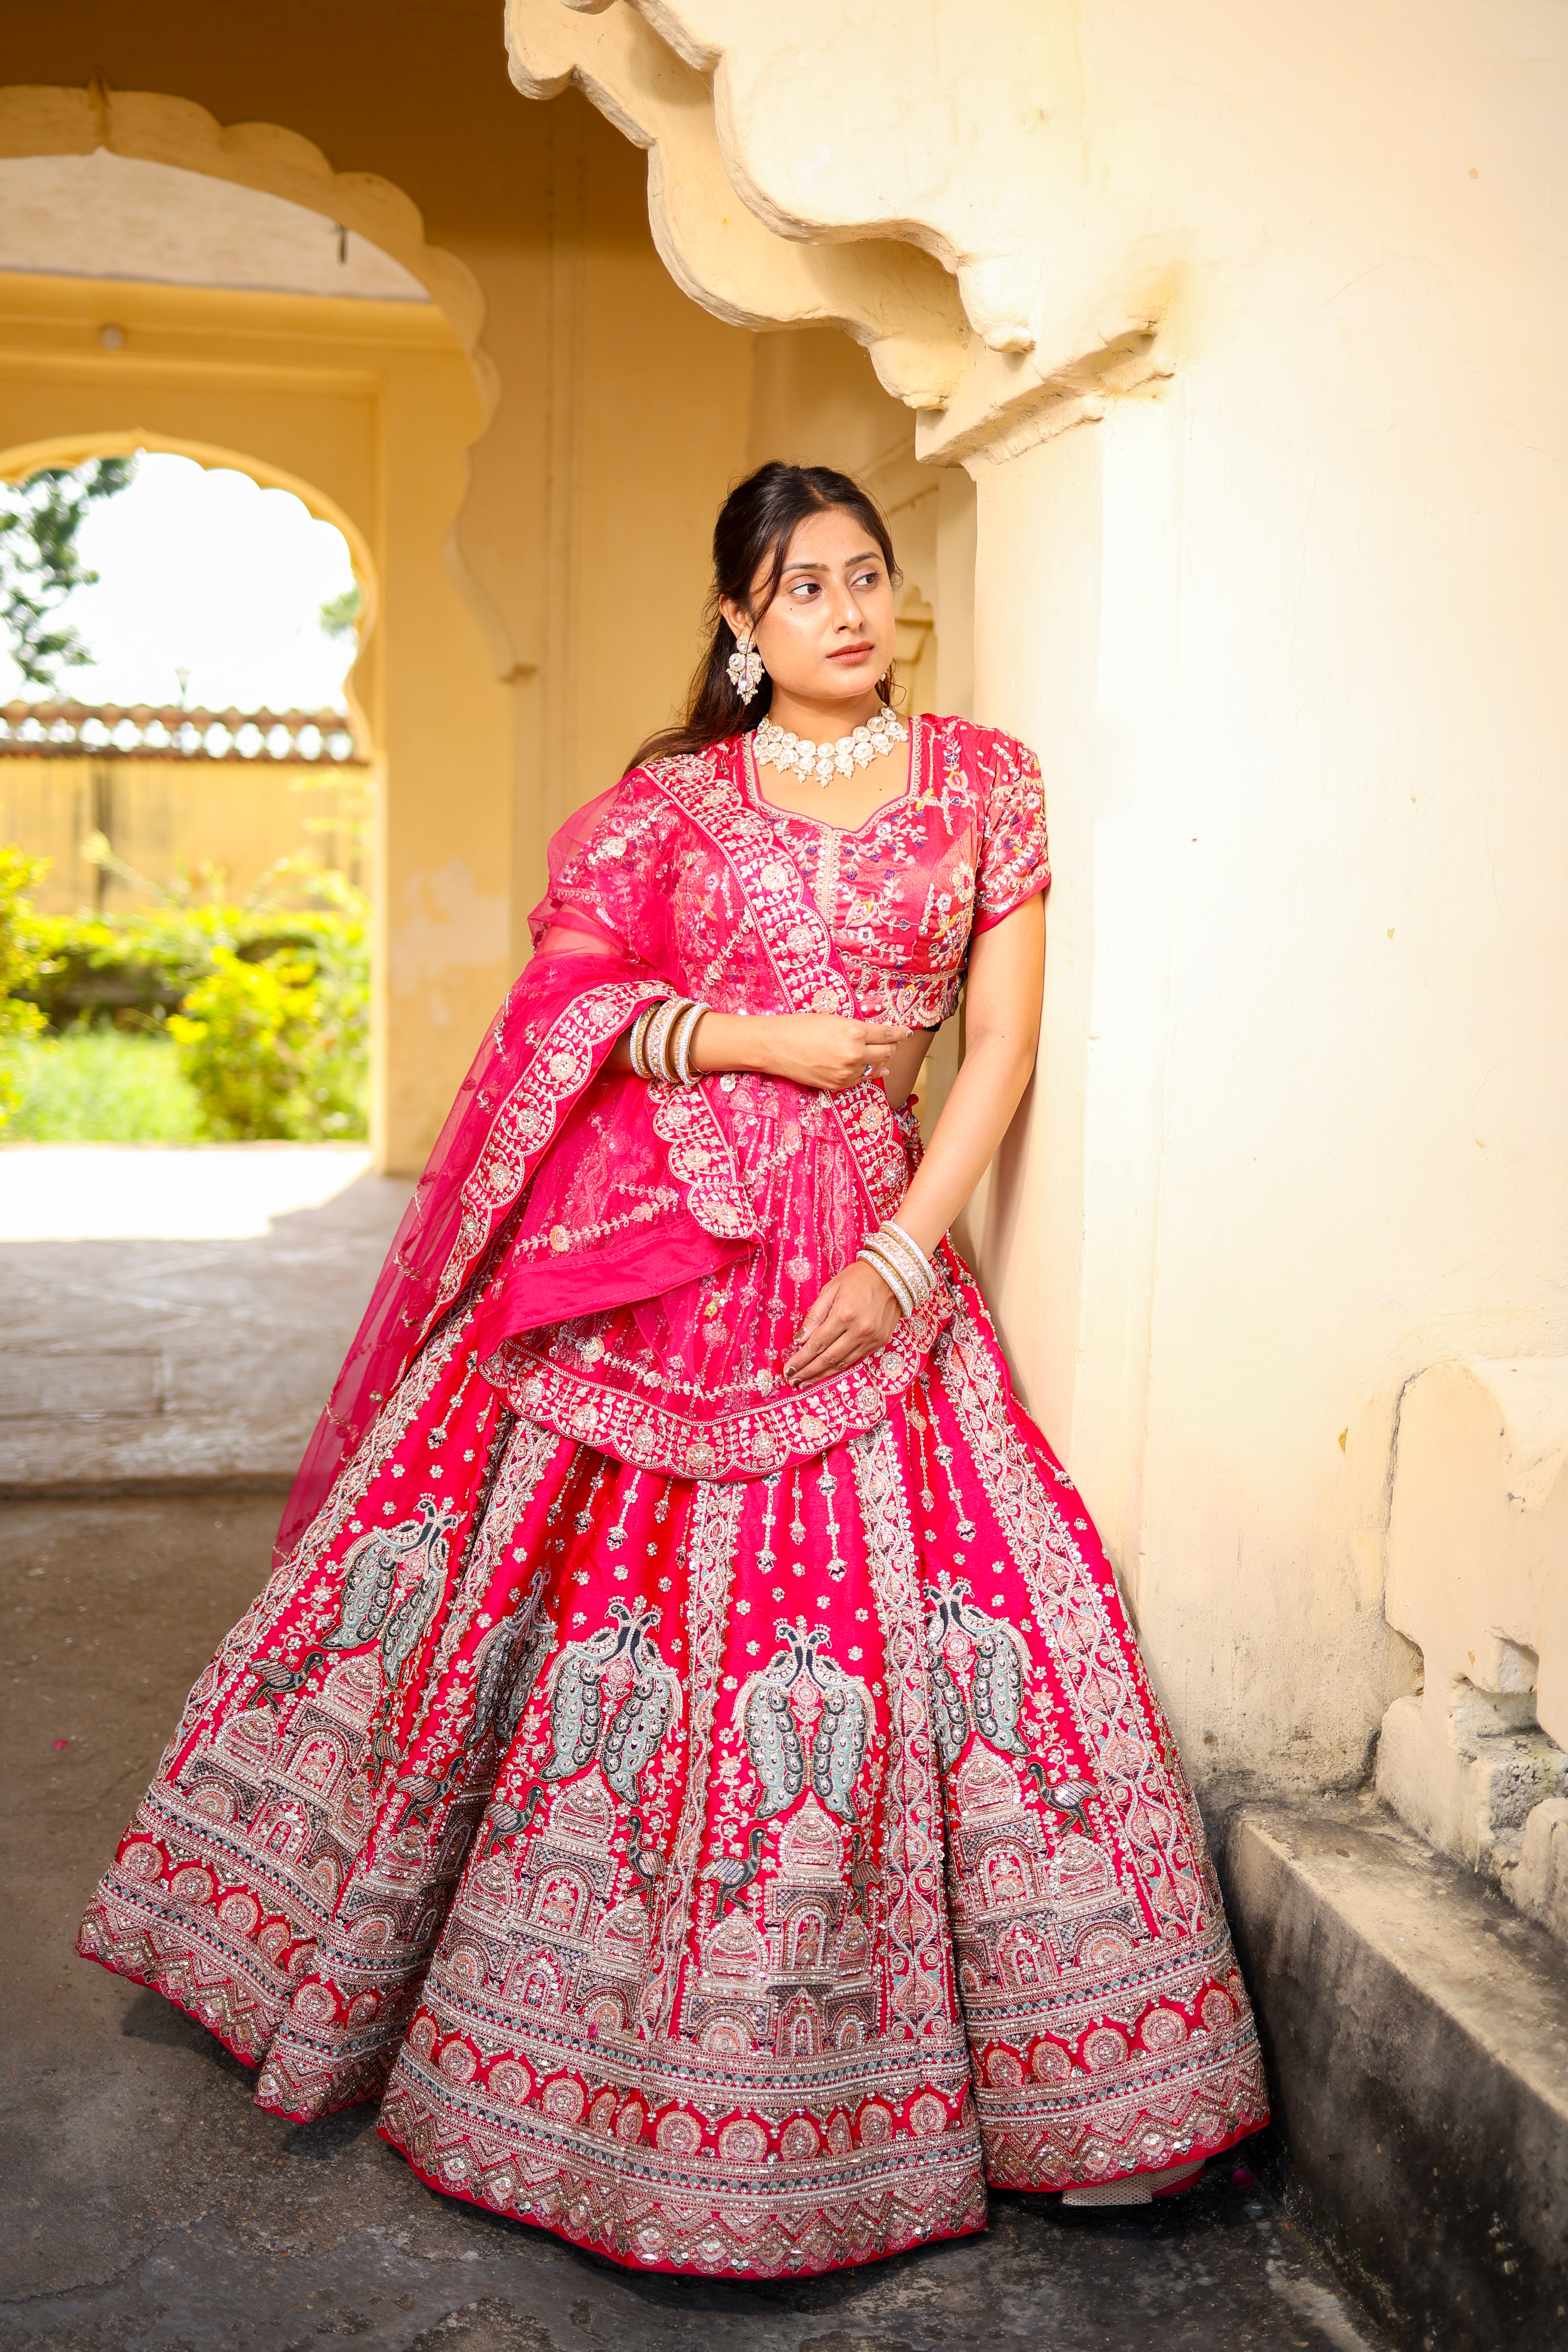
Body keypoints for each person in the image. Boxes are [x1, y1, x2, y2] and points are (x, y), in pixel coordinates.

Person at [78, 461, 1267, 2276]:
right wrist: (758, 1032)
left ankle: (1069, 2084)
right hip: (657, 1261)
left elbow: (1000, 1048)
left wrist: (899, 1251)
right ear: (738, 623)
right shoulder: (666, 808)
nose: (846, 613)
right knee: (573, 1633)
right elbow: (564, 1012)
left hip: (864, 1265)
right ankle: (544, 2069)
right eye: (801, 589)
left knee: (924, 1633)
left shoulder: (981, 783)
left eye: (866, 577)